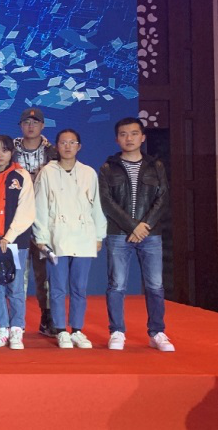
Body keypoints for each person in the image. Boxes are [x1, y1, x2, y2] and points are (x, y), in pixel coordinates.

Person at [99, 117, 174, 352]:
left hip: (150, 234)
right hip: (118, 234)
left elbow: (163, 198)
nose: (129, 138)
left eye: (133, 133)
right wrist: (133, 226)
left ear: (142, 137)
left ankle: (157, 332)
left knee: (155, 285)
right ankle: (117, 331)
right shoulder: (108, 167)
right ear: (116, 139)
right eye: (123, 134)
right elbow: (106, 202)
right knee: (116, 285)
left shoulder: (156, 166)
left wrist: (144, 226)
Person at [33, 129, 106, 349]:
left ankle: (77, 330)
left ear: (79, 146)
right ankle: (60, 330)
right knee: (56, 287)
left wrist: (99, 235)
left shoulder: (88, 173)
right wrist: (41, 236)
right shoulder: (47, 172)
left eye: (72, 142)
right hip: (57, 237)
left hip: (83, 236)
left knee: (79, 287)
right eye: (63, 142)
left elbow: (96, 206)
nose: (67, 146)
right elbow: (40, 206)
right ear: (56, 146)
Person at [0, 135, 35, 349]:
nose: (0, 155)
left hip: (15, 242)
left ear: (12, 152)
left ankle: (17, 330)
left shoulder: (21, 176)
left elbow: (26, 211)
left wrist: (8, 237)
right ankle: (2, 329)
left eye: (4, 150)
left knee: (16, 287)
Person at [14, 107, 59, 337]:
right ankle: (16, 322)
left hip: (44, 221)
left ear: (42, 125)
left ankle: (47, 318)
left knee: (44, 274)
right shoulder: (9, 150)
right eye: (26, 122)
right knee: (17, 274)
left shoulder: (54, 152)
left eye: (35, 122)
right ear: (20, 126)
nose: (30, 126)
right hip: (16, 221)